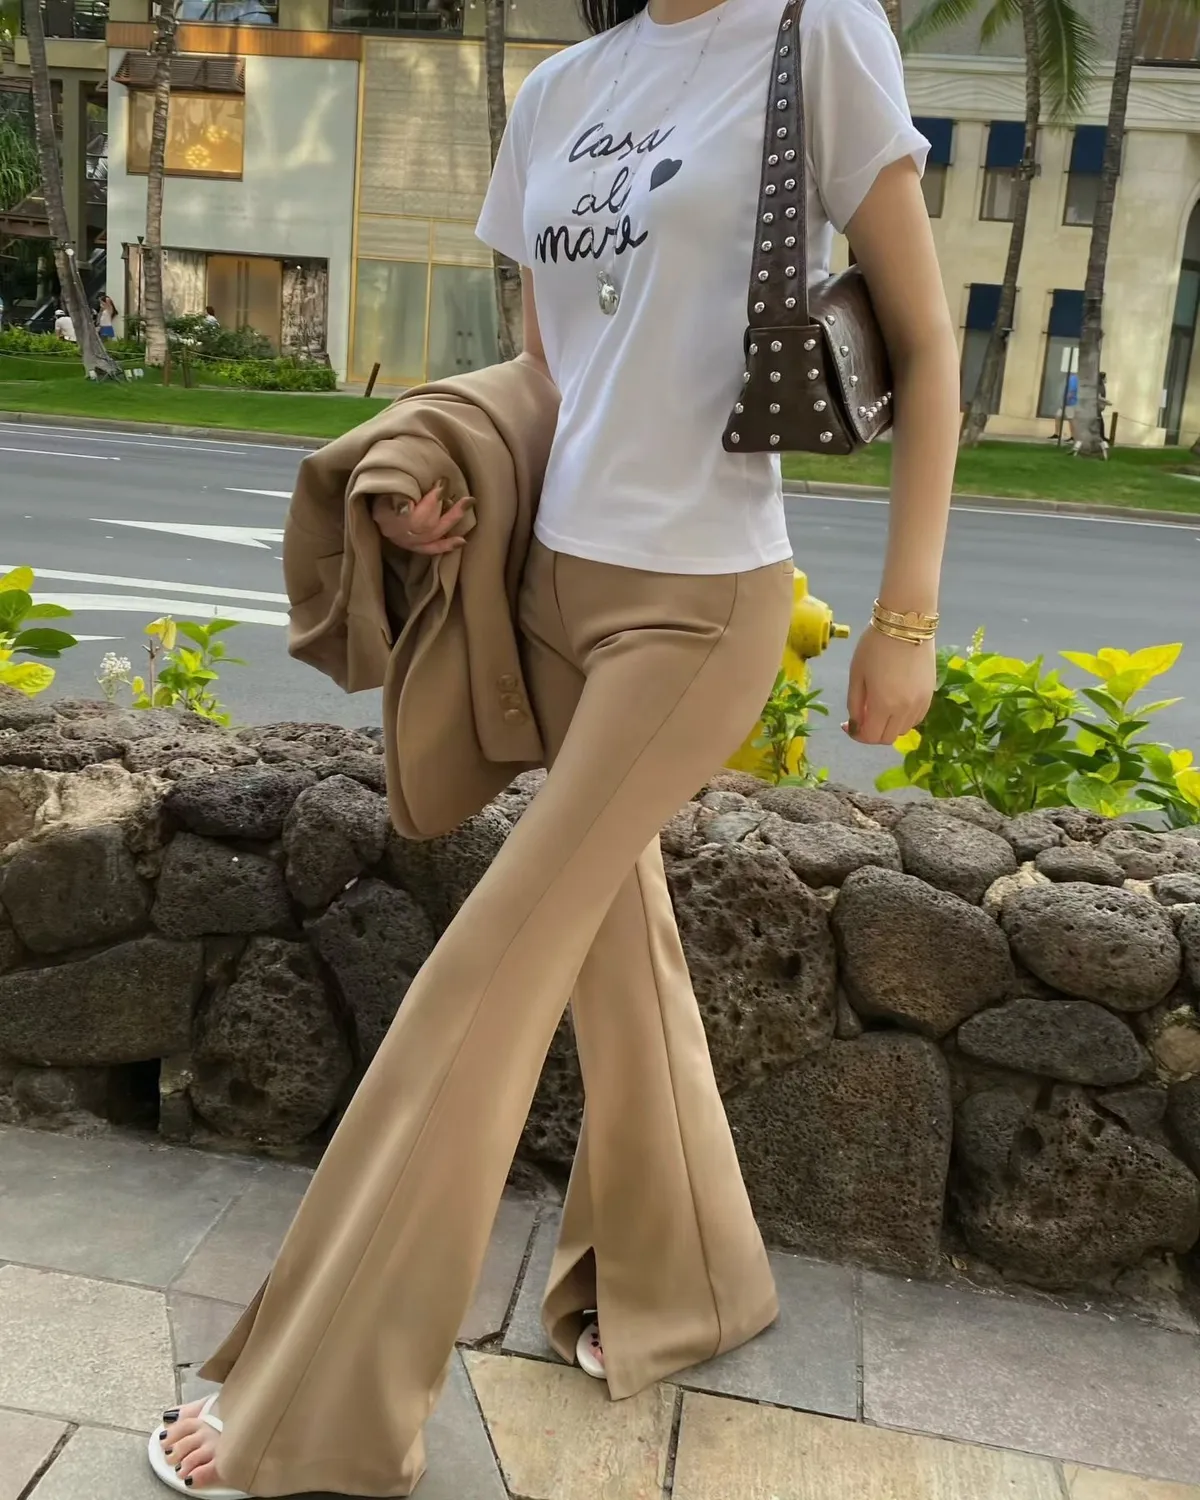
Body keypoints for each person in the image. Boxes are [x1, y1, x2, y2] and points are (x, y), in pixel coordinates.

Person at [153, 0, 958, 1493]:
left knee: (487, 975)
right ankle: (694, 1277)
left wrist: (903, 618)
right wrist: (447, 488)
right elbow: (552, 370)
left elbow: (923, 338)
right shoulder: (565, 86)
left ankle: (318, 1398)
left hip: (697, 605)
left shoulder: (818, 35)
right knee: (613, 951)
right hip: (549, 588)